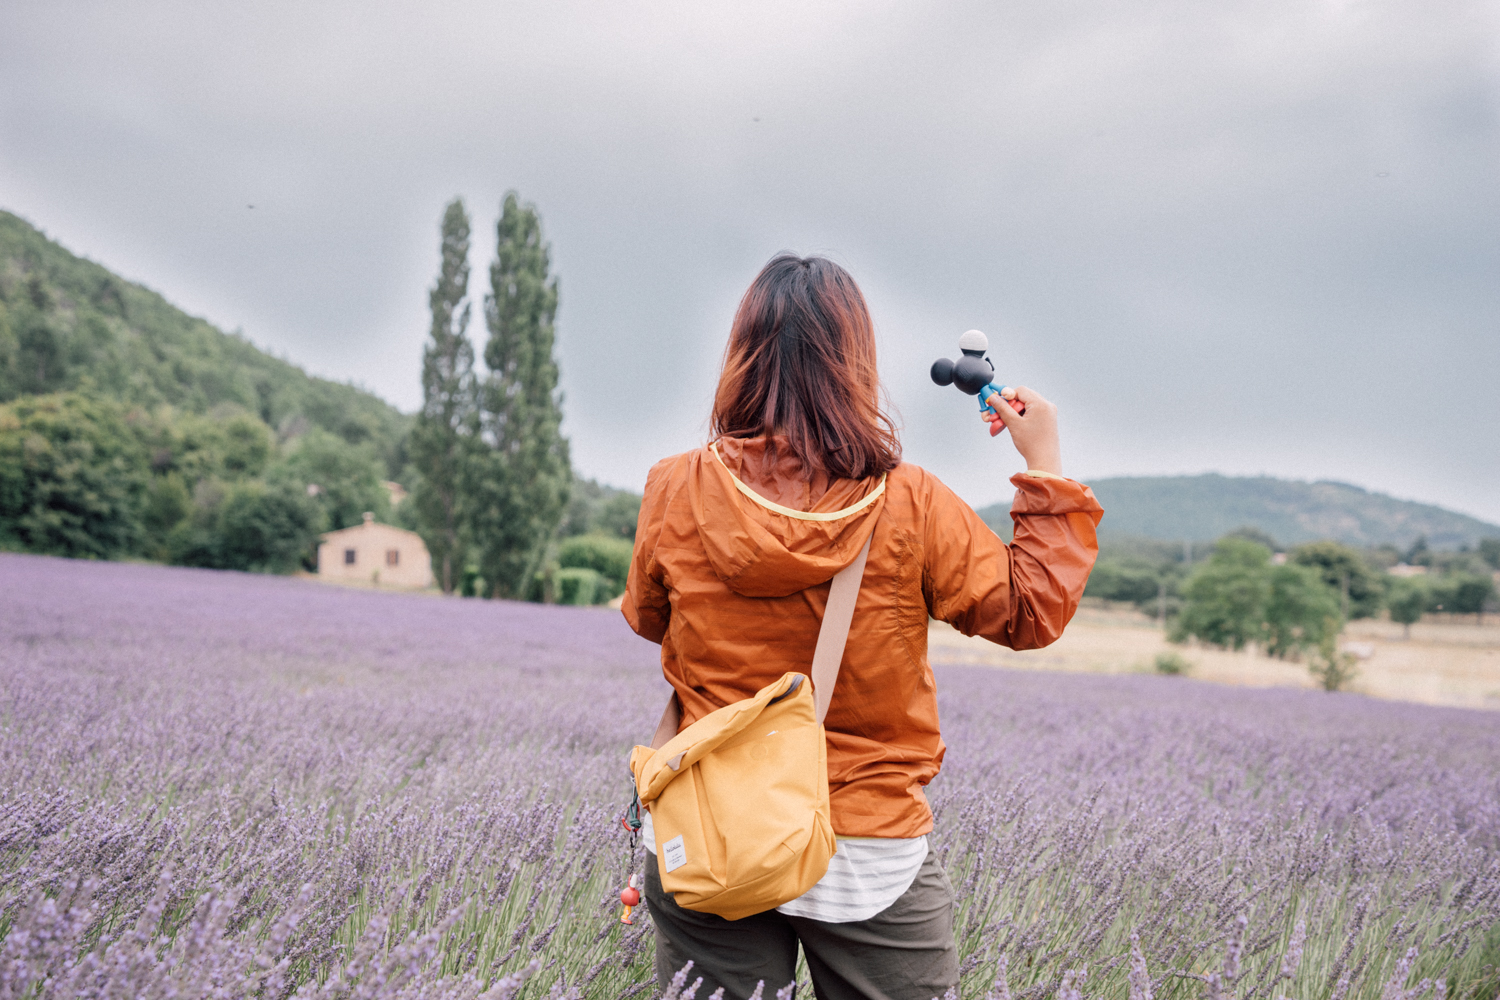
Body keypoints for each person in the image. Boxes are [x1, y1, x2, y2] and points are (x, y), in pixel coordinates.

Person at [621, 254, 1102, 1000]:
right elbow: (1030, 612)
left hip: (709, 827)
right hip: (864, 842)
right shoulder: (909, 503)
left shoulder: (674, 487)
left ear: (742, 355)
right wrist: (1045, 466)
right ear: (855, 364)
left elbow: (650, 618)